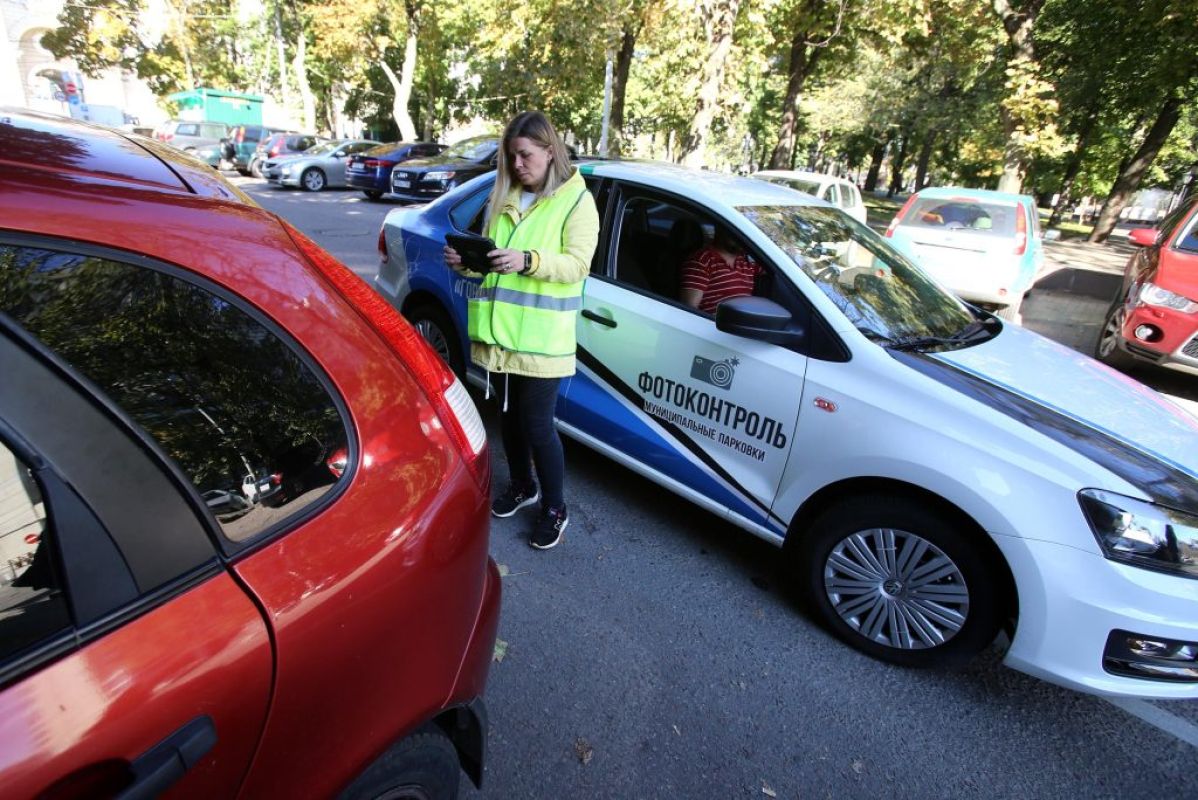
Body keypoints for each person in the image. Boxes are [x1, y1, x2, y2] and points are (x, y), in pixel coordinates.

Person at [443, 111, 599, 550]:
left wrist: (528, 260)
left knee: (537, 425)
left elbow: (577, 266)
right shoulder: (506, 196)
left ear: (550, 151)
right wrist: (467, 263)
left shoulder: (576, 201)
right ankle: (522, 485)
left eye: (525, 155)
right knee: (509, 419)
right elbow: (494, 267)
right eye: (511, 156)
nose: (517, 164)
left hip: (543, 341)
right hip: (501, 335)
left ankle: (555, 507)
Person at [679, 226, 763, 314]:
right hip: (715, 321)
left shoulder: (746, 259)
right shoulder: (702, 260)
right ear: (720, 230)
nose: (740, 237)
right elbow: (689, 311)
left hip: (745, 319)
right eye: (734, 232)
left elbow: (772, 267)